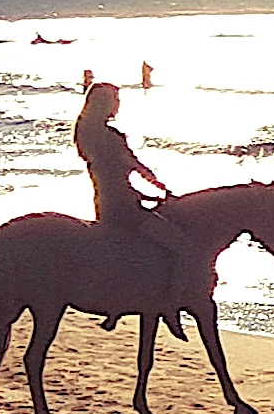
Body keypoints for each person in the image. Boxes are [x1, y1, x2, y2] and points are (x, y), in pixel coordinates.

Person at [75, 81, 200, 339]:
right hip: (124, 207)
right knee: (184, 247)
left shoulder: (86, 133)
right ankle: (170, 306)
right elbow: (132, 165)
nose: (118, 105)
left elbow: (112, 173)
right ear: (105, 104)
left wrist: (145, 192)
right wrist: (158, 186)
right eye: (115, 100)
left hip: (106, 202)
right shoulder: (110, 137)